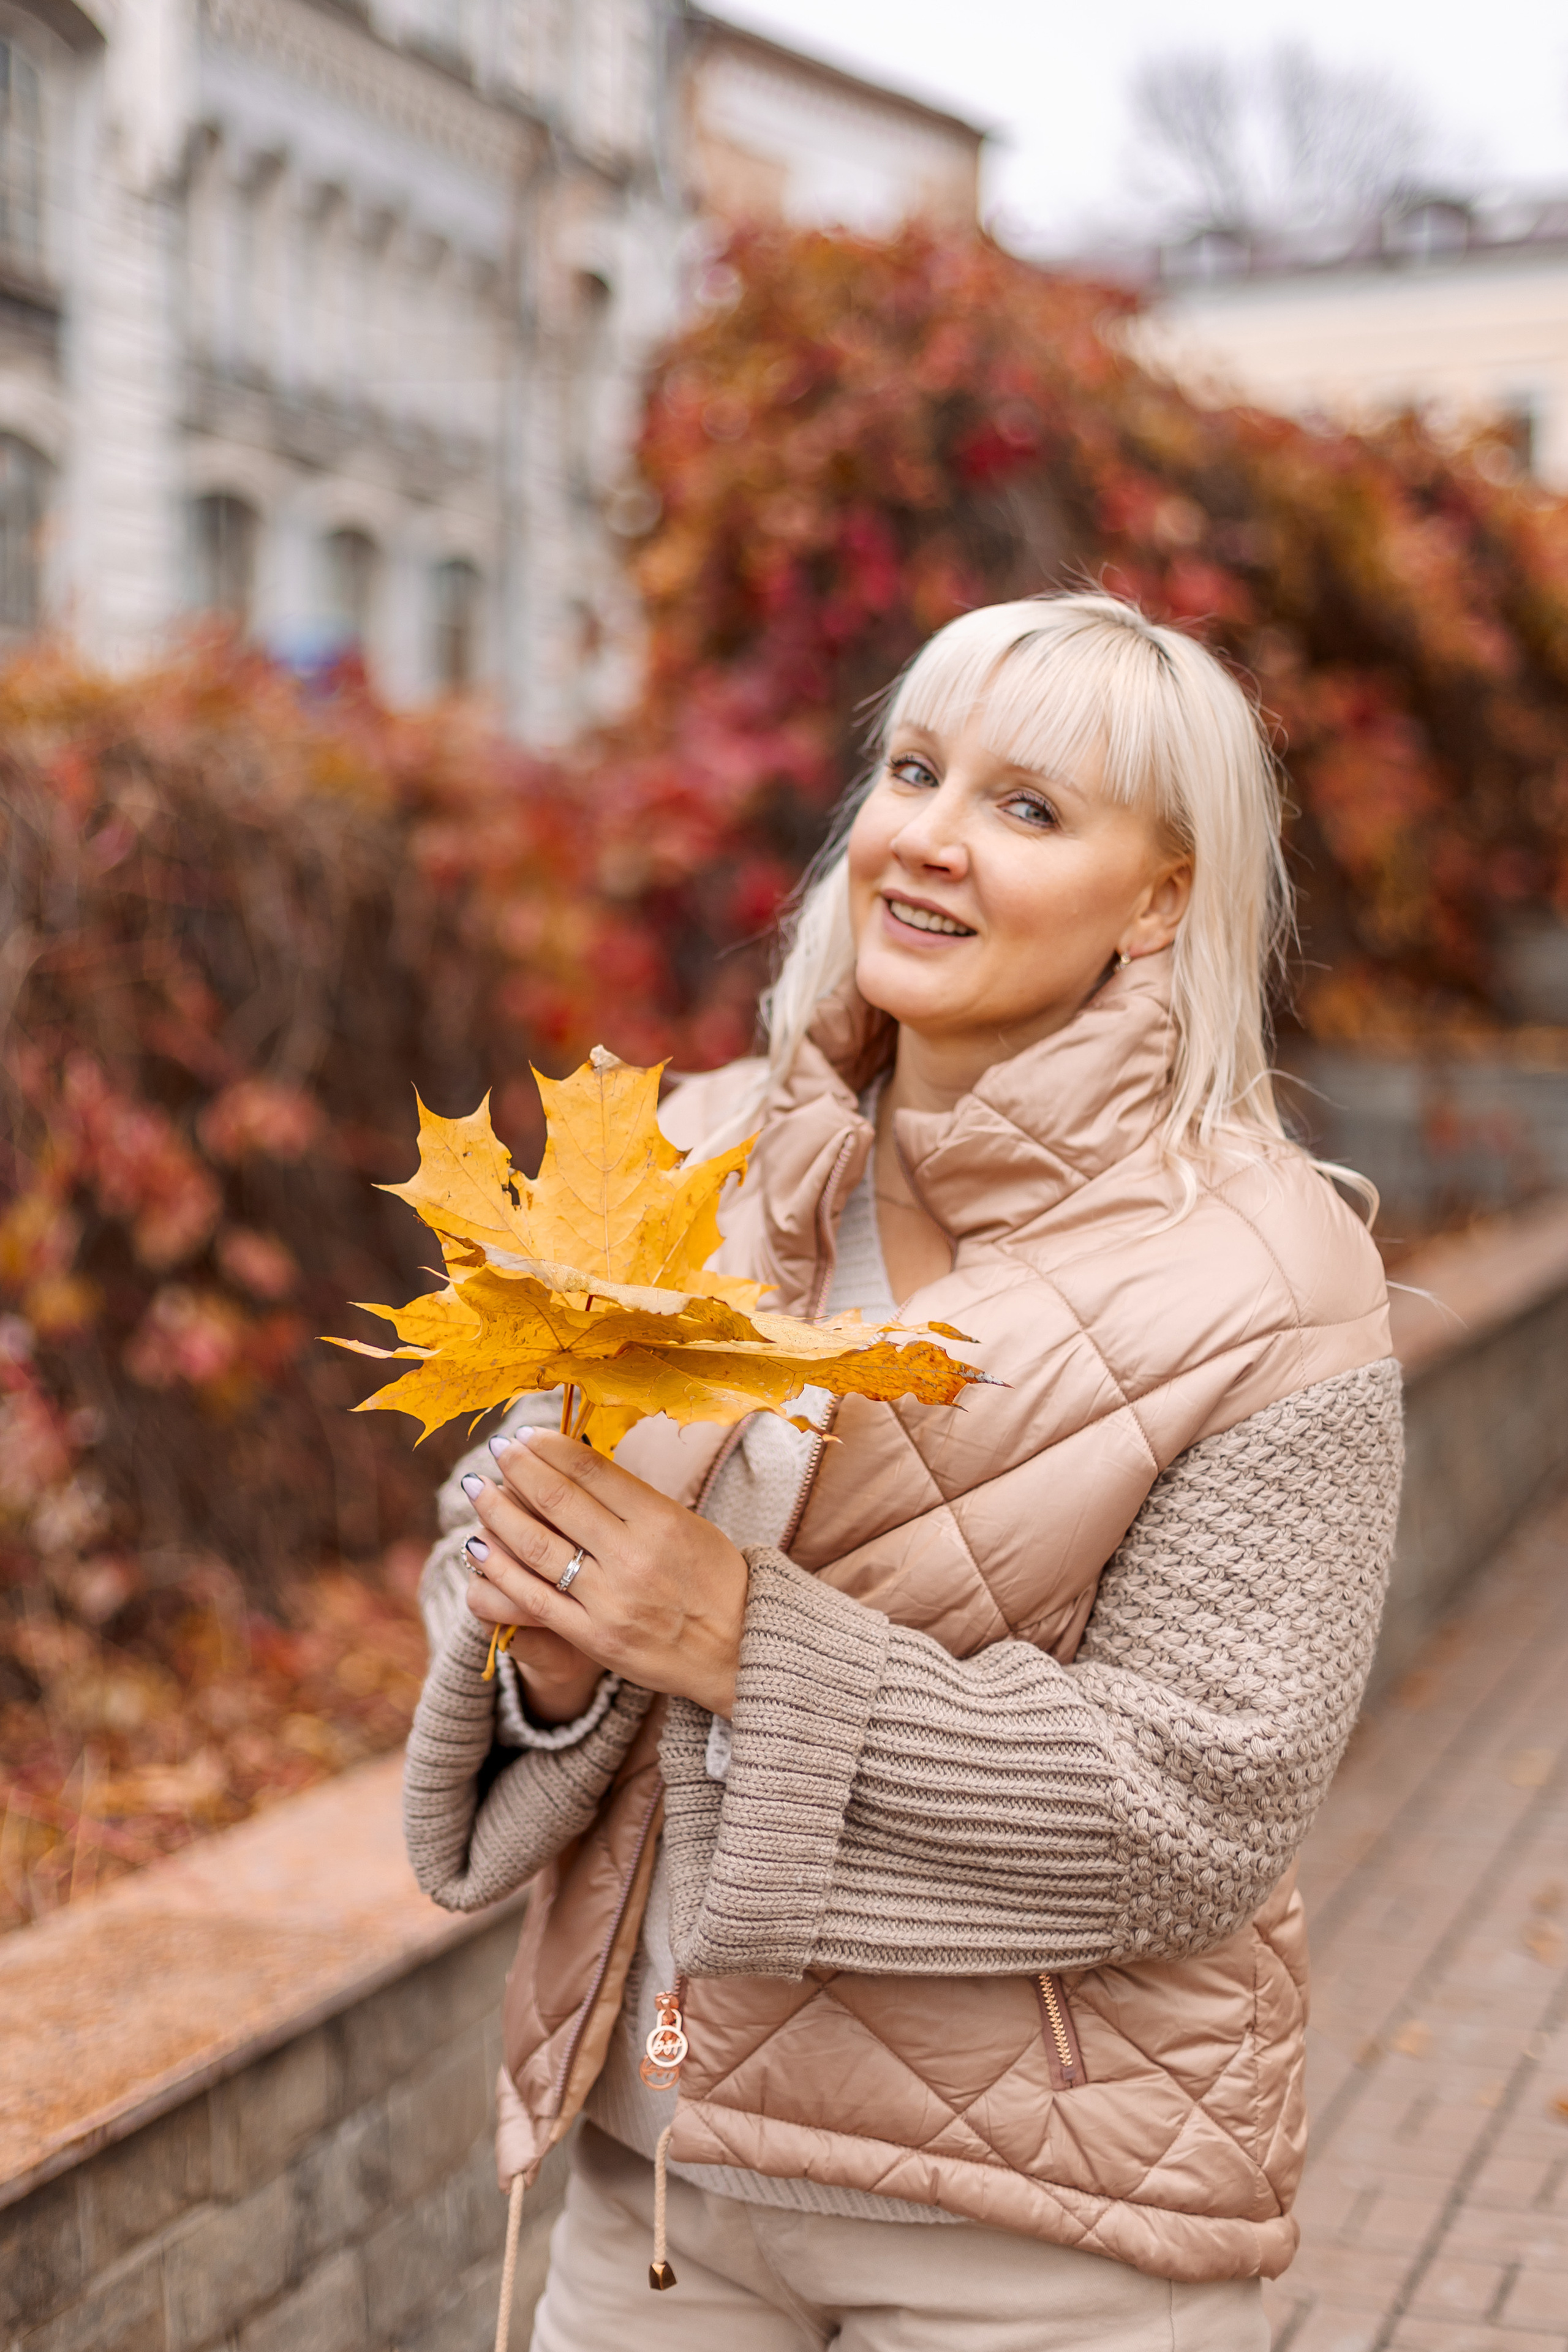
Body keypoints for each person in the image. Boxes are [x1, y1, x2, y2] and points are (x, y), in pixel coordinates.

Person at [404, 592, 1401, 2352]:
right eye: (917, 771)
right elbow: (496, 1549)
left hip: (1043, 2230)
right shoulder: (701, 1152)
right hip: (658, 2181)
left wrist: (737, 1640)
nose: (930, 841)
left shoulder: (1274, 1273)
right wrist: (547, 1660)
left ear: (1164, 894)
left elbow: (1200, 1804)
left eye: (1028, 809)